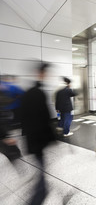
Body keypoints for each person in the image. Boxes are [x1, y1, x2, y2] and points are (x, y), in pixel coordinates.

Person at [21, 62, 56, 204]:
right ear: (40, 73)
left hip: (32, 140)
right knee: (41, 174)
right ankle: (37, 199)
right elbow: (43, 119)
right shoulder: (38, 93)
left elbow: (23, 117)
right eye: (46, 73)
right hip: (37, 141)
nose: (48, 76)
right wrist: (52, 138)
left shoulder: (29, 93)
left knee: (41, 171)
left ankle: (42, 192)